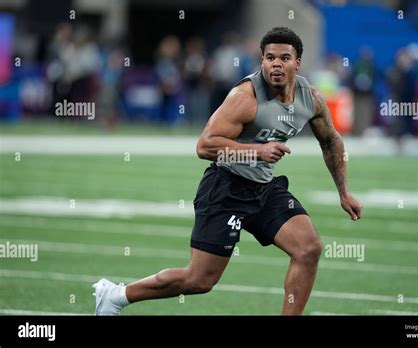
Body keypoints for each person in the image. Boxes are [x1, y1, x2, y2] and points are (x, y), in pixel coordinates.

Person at [93, 27, 363, 316]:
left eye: (284, 58)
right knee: (199, 280)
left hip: (264, 187)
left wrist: (343, 191)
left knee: (308, 248)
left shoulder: (311, 99)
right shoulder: (244, 97)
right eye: (269, 57)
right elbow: (204, 145)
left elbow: (331, 141)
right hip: (226, 187)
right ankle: (117, 295)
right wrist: (258, 151)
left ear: (297, 63)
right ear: (261, 60)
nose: (275, 64)